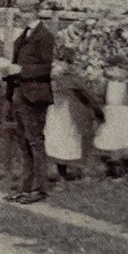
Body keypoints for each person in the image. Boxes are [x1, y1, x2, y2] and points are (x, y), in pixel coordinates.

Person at [5, 0, 56, 204]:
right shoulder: (24, 35)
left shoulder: (45, 36)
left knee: (35, 141)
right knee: (23, 141)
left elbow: (47, 67)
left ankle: (40, 188)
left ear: (35, 11)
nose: (21, 16)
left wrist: (21, 70)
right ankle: (24, 187)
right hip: (19, 94)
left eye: (25, 12)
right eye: (20, 12)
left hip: (35, 95)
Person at [44, 46, 103, 181]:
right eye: (60, 60)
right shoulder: (54, 76)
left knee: (69, 141)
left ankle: (73, 173)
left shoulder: (69, 77)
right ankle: (64, 175)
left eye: (64, 61)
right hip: (57, 112)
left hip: (66, 113)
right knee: (59, 140)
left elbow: (85, 94)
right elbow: (85, 94)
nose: (61, 64)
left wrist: (96, 110)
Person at [92, 56, 128, 178]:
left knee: (125, 136)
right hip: (110, 113)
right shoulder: (105, 85)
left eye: (121, 70)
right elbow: (97, 96)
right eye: (110, 70)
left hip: (125, 114)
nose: (114, 73)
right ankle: (114, 164)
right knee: (111, 137)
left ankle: (125, 161)